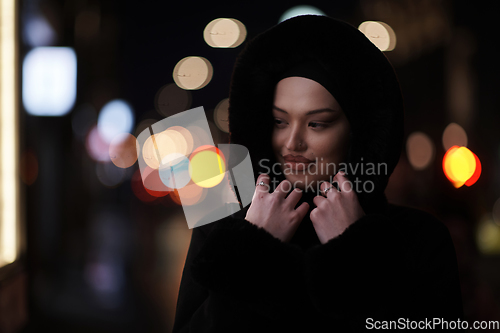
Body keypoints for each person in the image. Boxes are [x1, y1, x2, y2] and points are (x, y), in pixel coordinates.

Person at [172, 15, 463, 332]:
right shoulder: (221, 228)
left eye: (317, 123)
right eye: (280, 121)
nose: (292, 142)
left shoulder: (419, 239)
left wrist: (355, 254)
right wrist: (253, 250)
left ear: (358, 133)